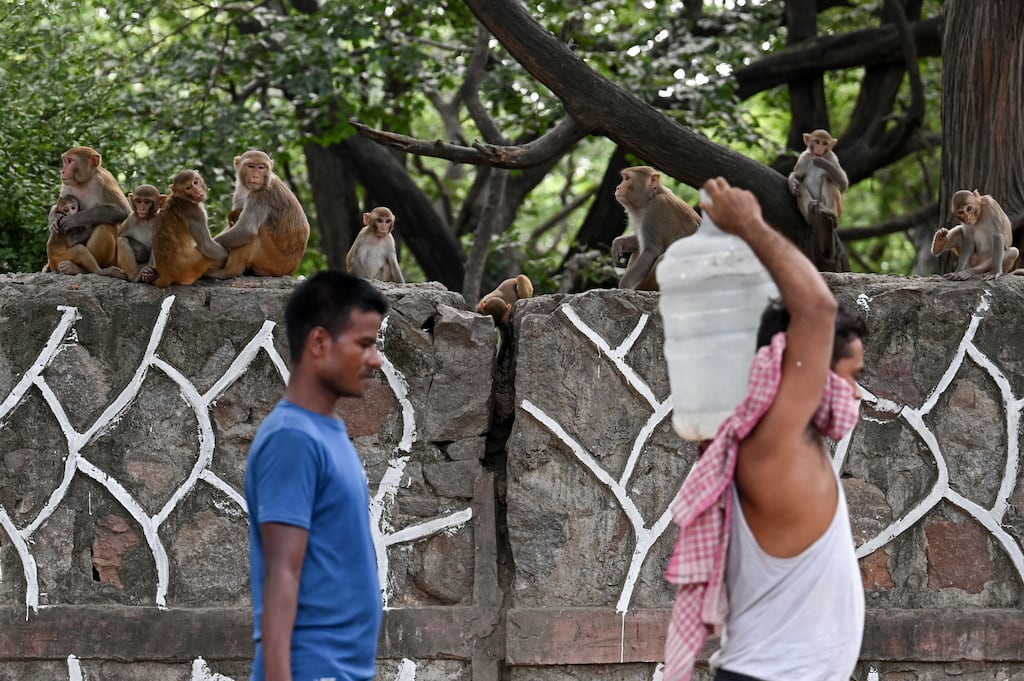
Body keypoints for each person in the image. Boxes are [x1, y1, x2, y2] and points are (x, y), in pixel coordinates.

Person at [664, 177, 868, 681]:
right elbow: (816, 310)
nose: (857, 393)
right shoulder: (772, 446)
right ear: (803, 370)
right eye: (850, 376)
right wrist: (750, 225)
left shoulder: (771, 443)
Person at [245, 270, 390, 681]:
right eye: (364, 344)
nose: (376, 360)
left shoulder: (326, 431)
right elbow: (282, 573)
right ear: (320, 342)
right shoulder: (292, 438)